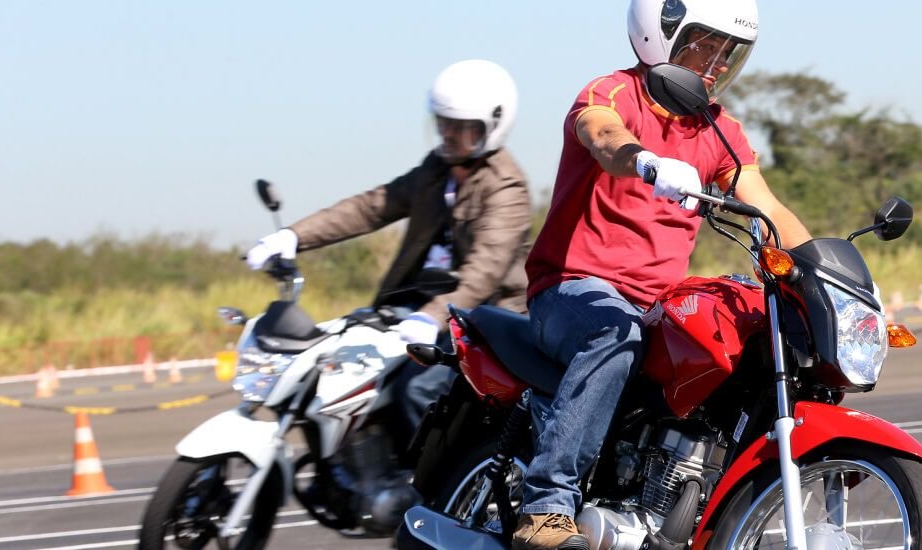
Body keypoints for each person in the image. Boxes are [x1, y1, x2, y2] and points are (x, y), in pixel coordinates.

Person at [512, 1, 812, 548]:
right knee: (616, 332)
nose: (718, 63)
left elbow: (766, 205)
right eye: (706, 45)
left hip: (655, 302)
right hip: (572, 290)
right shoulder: (613, 93)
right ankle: (546, 506)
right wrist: (645, 161)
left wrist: (821, 272)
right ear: (663, 32)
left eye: (728, 51)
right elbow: (604, 137)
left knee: (739, 334)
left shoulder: (718, 127)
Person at [243, 59, 532, 435]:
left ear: (492, 127)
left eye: (462, 126)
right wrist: (294, 237)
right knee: (335, 368)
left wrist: (430, 317)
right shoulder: (436, 170)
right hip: (417, 309)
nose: (448, 133)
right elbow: (372, 206)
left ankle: (431, 473)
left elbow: (484, 272)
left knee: (417, 390)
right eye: (443, 122)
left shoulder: (506, 188)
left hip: (483, 323)